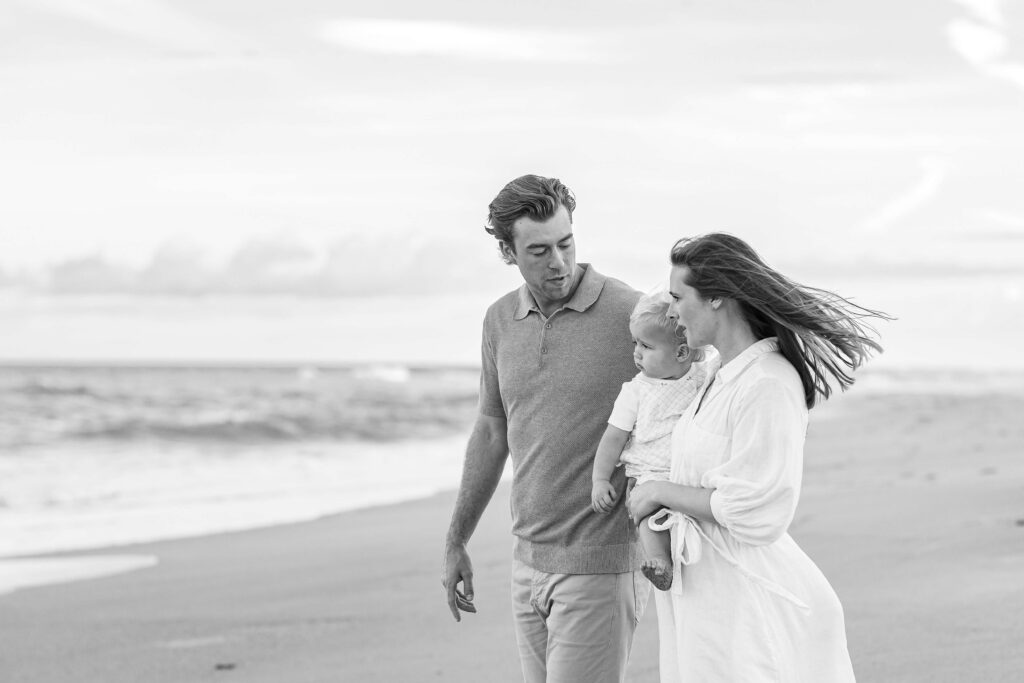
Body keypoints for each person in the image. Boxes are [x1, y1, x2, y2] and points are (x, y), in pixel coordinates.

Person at [627, 233, 887, 682]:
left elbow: (759, 511)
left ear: (717, 299)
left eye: (677, 297)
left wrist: (657, 491)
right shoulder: (717, 375)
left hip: (750, 602)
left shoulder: (767, 382)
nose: (670, 311)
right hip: (706, 594)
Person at [442, 174, 648, 683]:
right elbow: (492, 433)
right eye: (538, 250)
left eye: (565, 243)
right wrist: (456, 540)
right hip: (526, 563)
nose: (557, 262)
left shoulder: (630, 312)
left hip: (600, 562)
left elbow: (690, 389)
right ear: (508, 253)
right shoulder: (499, 321)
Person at [590, 293, 708, 592]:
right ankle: (659, 562)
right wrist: (600, 479)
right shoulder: (635, 391)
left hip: (690, 472)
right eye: (636, 344)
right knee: (647, 514)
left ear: (682, 353)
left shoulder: (700, 377)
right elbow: (613, 437)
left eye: (646, 346)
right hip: (650, 473)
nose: (637, 354)